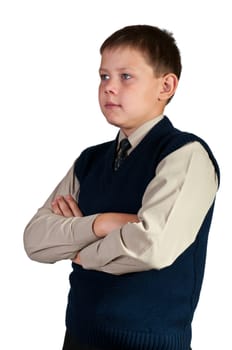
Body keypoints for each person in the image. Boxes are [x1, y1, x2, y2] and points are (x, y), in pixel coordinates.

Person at [24, 24, 220, 350]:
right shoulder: (90, 160)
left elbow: (151, 246)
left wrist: (78, 251)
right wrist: (104, 223)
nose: (109, 88)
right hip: (78, 337)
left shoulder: (185, 155)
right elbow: (35, 240)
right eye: (103, 76)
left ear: (166, 85)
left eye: (125, 77)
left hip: (148, 343)